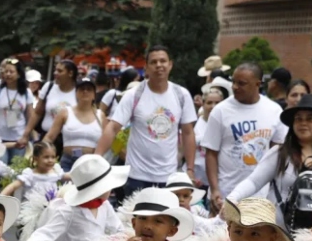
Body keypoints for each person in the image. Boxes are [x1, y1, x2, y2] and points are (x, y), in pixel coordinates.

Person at [229, 94, 312, 231]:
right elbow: (254, 182)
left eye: (310, 119)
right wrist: (232, 199)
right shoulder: (279, 154)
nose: (303, 123)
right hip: (280, 238)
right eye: (298, 119)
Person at [94, 45, 197, 199]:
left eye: (163, 61)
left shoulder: (182, 95)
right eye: (154, 62)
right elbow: (113, 128)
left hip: (169, 177)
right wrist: (96, 158)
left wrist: (189, 168)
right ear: (146, 67)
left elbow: (188, 133)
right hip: (136, 176)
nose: (159, 65)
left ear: (170, 64)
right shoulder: (134, 95)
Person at [203, 62, 287, 210]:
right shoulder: (221, 111)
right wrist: (215, 189)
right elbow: (211, 153)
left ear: (257, 84)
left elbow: (277, 151)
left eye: (241, 83)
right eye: (233, 81)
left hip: (260, 197)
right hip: (226, 194)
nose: (235, 87)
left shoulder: (274, 110)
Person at [46, 78, 105, 171]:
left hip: (92, 164)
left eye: (89, 89)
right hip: (68, 162)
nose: (85, 91)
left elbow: (107, 139)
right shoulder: (65, 112)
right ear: (76, 93)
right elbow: (50, 137)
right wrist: (39, 154)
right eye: (82, 89)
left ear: (94, 95)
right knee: (66, 186)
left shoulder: (100, 115)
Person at [21, 59, 78, 152]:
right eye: (55, 70)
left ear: (70, 73)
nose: (55, 73)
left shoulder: (79, 90)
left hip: (69, 141)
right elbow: (37, 113)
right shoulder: (49, 87)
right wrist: (25, 134)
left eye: (60, 71)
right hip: (46, 137)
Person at [0, 58, 33, 162]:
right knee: (1, 169)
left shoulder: (26, 92)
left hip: (19, 139)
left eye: (11, 72)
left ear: (19, 74)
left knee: (15, 171)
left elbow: (30, 117)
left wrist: (26, 136)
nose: (8, 74)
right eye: (6, 72)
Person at [193, 79, 229, 185]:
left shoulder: (227, 126)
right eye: (209, 103)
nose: (213, 106)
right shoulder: (193, 125)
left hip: (220, 182)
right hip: (197, 181)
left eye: (217, 103)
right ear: (203, 104)